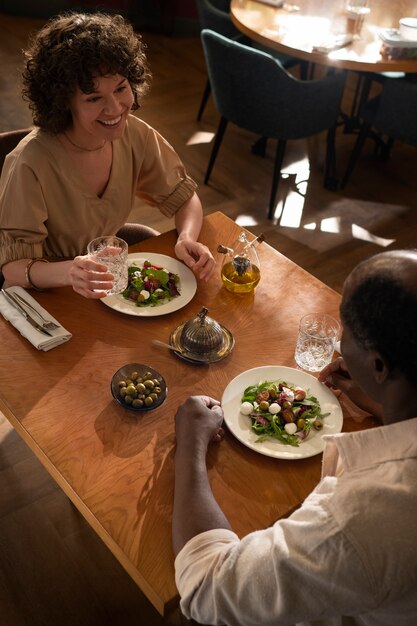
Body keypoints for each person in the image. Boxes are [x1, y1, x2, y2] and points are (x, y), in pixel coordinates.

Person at [172, 249, 417, 626]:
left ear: (379, 365)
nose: (339, 349)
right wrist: (388, 401)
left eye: (345, 333)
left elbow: (208, 590)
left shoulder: (358, 519)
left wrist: (189, 444)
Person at [0, 12, 214, 297]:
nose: (115, 109)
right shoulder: (30, 162)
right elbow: (12, 268)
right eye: (93, 98)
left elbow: (184, 197)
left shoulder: (135, 134)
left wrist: (186, 238)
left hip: (103, 286)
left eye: (121, 88)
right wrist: (70, 272)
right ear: (63, 103)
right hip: (44, 295)